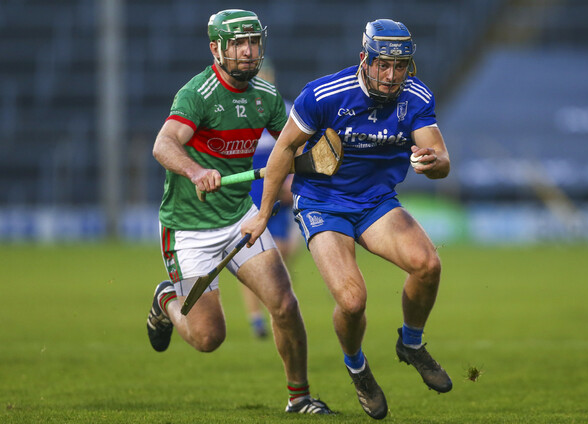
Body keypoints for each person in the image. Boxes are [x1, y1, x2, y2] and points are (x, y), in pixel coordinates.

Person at [242, 18, 452, 419]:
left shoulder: (416, 96)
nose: (391, 75)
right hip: (323, 203)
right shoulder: (324, 95)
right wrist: (264, 213)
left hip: (377, 203)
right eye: (383, 65)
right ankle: (357, 368)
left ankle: (411, 343)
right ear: (364, 60)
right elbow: (284, 149)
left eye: (400, 66)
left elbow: (441, 159)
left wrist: (434, 162)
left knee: (428, 264)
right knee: (353, 301)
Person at [145, 9, 333, 414]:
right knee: (208, 337)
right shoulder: (197, 94)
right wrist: (196, 171)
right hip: (188, 229)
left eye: (253, 43)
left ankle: (299, 398)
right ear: (216, 49)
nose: (248, 52)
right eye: (238, 44)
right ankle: (166, 300)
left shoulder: (266, 97)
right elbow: (163, 144)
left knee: (285, 305)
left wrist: (319, 154)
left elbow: (295, 146)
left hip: (238, 218)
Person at [240, 62, 300, 339]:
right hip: (251, 190)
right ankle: (256, 319)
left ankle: (276, 302)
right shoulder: (241, 114)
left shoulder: (286, 111)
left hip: (279, 190)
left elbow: (298, 149)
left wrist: (290, 181)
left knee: (284, 251)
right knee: (253, 255)